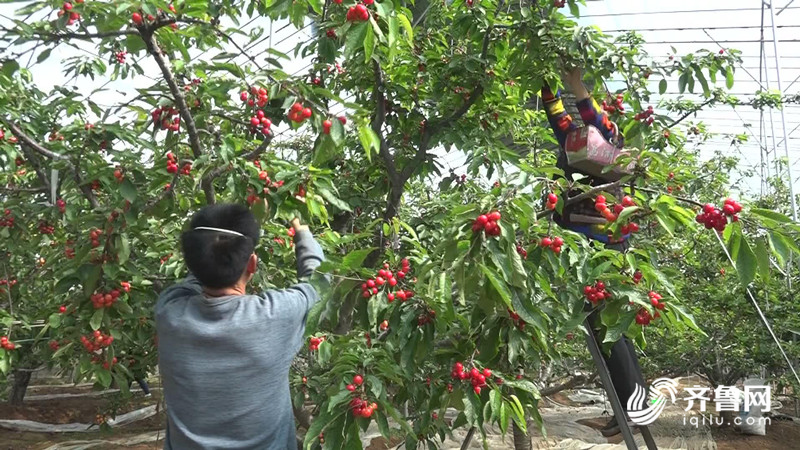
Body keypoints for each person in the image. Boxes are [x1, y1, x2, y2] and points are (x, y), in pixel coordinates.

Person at [155, 203, 324, 449]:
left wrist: (216, 241)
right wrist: (300, 228)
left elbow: (198, 273)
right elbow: (319, 284)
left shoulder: (169, 311)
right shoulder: (276, 315)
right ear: (252, 264)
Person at [541, 68, 647, 437]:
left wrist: (575, 83)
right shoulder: (573, 140)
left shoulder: (608, 141)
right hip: (583, 246)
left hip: (604, 245)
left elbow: (593, 116)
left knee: (610, 329)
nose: (579, 134)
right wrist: (544, 78)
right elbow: (558, 115)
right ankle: (630, 407)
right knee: (606, 330)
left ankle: (634, 407)